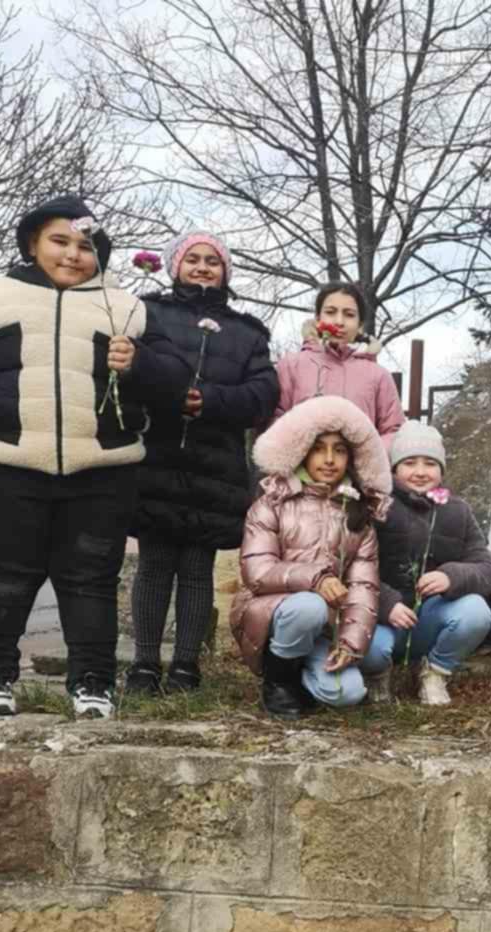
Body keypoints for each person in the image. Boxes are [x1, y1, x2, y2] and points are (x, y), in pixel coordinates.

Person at [0, 195, 189, 719]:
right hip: (8, 463)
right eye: (59, 241)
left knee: (92, 581)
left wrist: (140, 364)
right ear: (32, 243)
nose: (72, 254)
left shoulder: (128, 308)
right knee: (4, 576)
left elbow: (176, 384)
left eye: (85, 245)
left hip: (104, 470)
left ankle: (94, 684)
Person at [127, 231, 278, 695]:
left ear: (225, 271)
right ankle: (144, 664)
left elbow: (262, 395)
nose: (202, 267)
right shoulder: (146, 313)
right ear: (175, 266)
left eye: (213, 261)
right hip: (155, 458)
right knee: (154, 565)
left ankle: (186, 666)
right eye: (192, 259)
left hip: (215, 467)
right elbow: (129, 371)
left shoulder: (248, 332)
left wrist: (208, 400)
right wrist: (168, 394)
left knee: (197, 568)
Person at [231, 396, 392, 719]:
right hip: (273, 613)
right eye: (319, 449)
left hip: (326, 625)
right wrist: (316, 579)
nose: (329, 459)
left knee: (347, 693)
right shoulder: (273, 502)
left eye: (339, 450)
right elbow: (257, 571)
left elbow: (363, 588)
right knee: (309, 606)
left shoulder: (359, 516)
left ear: (352, 457)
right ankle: (279, 679)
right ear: (302, 450)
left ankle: (305, 674)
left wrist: (350, 644)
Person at [360, 421, 491, 705]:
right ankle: (377, 673)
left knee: (476, 612)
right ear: (394, 469)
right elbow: (355, 569)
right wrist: (387, 603)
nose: (421, 472)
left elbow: (486, 569)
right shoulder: (377, 508)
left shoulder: (458, 511)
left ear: (442, 470)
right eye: (410, 463)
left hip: (429, 618)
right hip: (382, 618)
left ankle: (434, 671)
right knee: (372, 648)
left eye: (430, 463)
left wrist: (451, 576)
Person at [271, 283, 404, 440]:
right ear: (318, 319)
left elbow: (393, 431)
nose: (339, 321)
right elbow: (274, 423)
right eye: (330, 312)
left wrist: (370, 454)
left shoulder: (378, 376)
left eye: (349, 314)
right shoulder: (291, 366)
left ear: (360, 325)